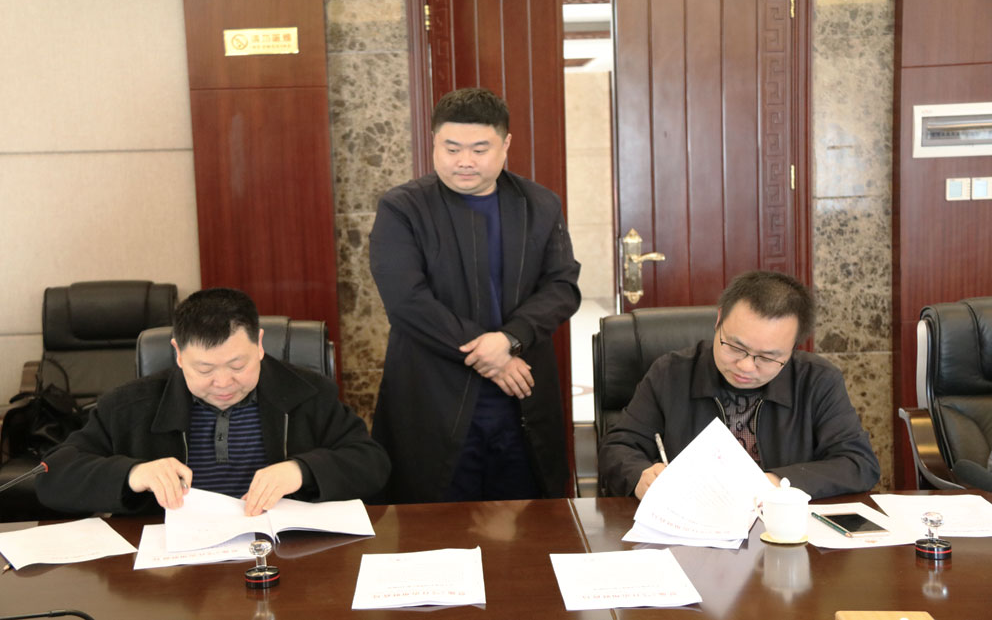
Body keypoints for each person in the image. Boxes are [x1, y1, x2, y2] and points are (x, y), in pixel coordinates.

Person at [369, 87, 581, 503]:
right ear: (434, 143)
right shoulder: (402, 208)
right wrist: (491, 355)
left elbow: (562, 286)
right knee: (433, 523)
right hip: (433, 393)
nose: (464, 161)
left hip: (520, 394)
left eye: (480, 149)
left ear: (505, 144)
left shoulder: (540, 204)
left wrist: (510, 339)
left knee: (527, 523)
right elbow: (406, 301)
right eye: (451, 148)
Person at [35, 288, 390, 516]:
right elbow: (52, 478)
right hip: (172, 571)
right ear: (177, 353)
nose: (223, 383)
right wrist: (133, 473)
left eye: (238, 365)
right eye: (204, 369)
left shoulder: (307, 393)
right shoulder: (129, 406)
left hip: (283, 555)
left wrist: (302, 470)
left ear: (260, 344)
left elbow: (372, 463)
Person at [598, 270, 880, 500]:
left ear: (793, 348)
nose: (746, 366)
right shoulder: (670, 374)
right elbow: (617, 448)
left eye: (767, 357)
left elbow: (859, 463)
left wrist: (775, 483)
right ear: (719, 320)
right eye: (735, 347)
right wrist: (640, 476)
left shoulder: (817, 381)